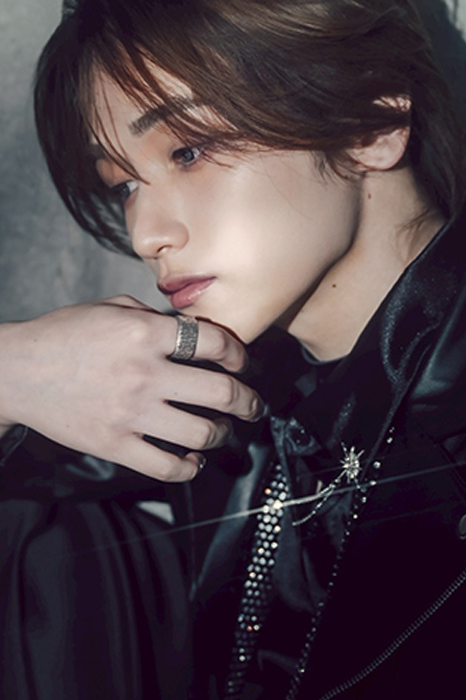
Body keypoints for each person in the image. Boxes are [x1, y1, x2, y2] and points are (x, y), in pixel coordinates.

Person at [1, 0, 466, 697]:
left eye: (188, 150)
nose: (145, 235)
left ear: (371, 125)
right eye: (124, 186)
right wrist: (14, 367)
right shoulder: (220, 396)